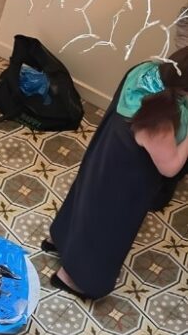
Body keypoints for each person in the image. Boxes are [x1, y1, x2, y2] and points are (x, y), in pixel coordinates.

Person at [46, 48, 188, 300]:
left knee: (86, 200)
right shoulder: (161, 117)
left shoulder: (146, 70)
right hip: (127, 177)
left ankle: (60, 240)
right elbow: (170, 167)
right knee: (107, 225)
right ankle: (74, 278)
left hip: (108, 154)